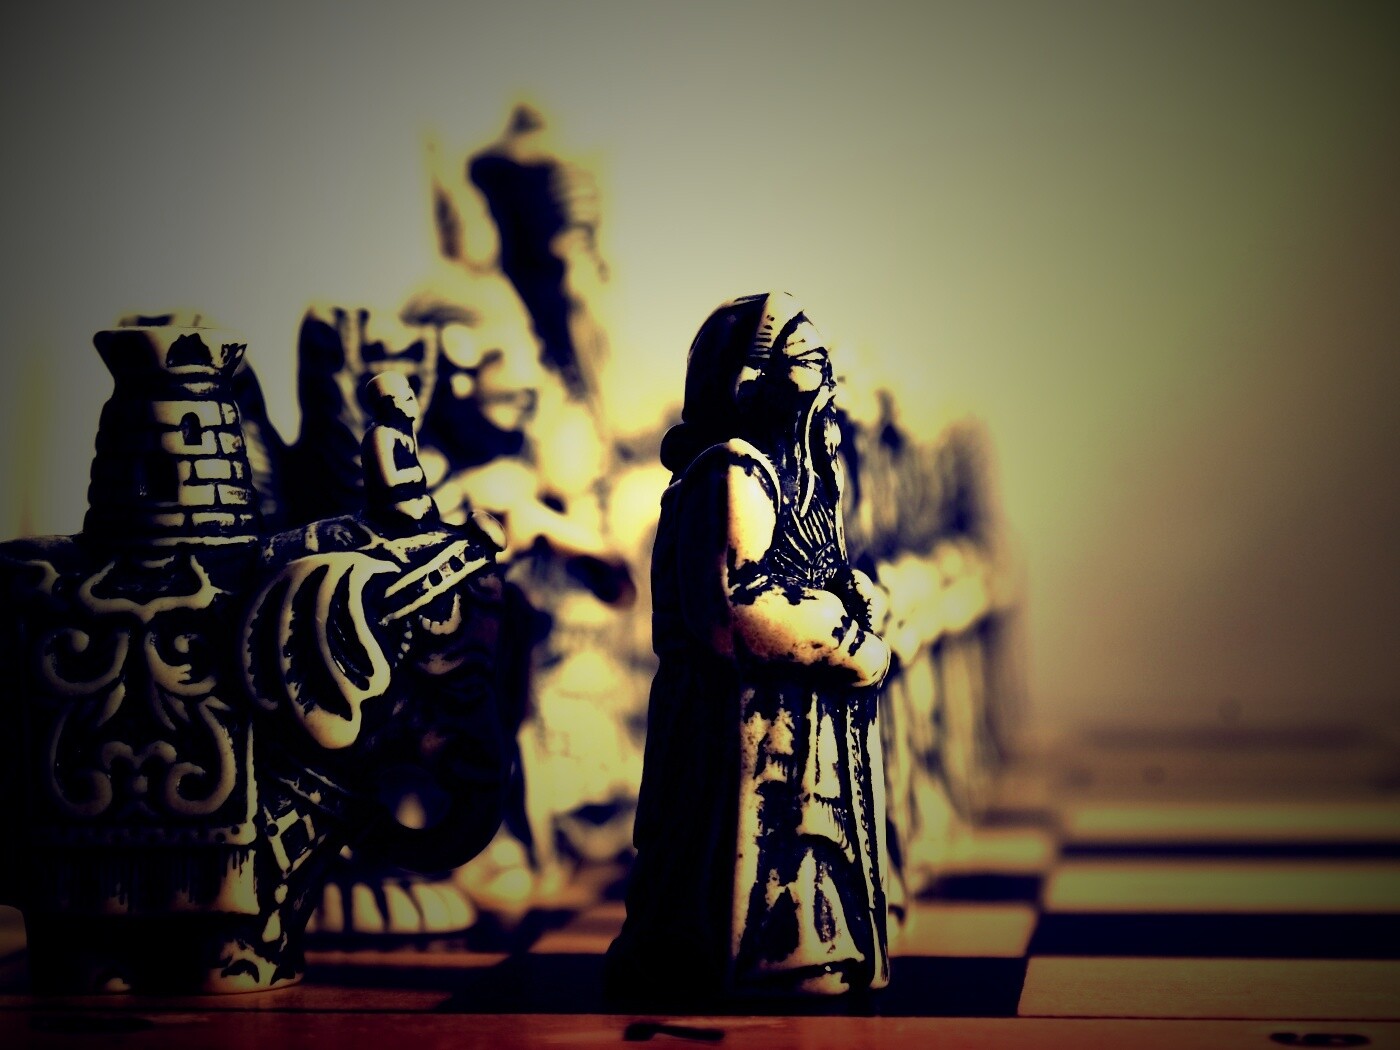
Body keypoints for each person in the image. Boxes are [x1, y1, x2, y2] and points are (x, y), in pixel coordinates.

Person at [607, 292, 892, 1002]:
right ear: (748, 383)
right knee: (717, 847)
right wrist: (845, 639)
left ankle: (800, 950)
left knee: (798, 838)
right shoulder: (730, 472)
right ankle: (747, 957)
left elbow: (807, 572)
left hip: (788, 720)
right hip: (729, 721)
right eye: (808, 363)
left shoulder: (794, 474)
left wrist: (854, 593)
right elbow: (732, 612)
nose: (827, 386)